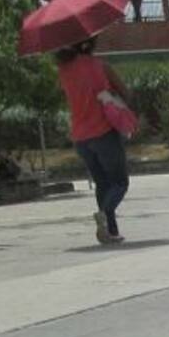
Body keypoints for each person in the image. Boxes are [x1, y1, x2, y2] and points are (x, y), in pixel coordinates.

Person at [55, 37, 130, 244]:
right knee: (120, 182)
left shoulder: (63, 70)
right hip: (103, 133)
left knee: (102, 183)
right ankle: (104, 213)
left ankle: (110, 231)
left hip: (80, 137)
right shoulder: (101, 66)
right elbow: (125, 93)